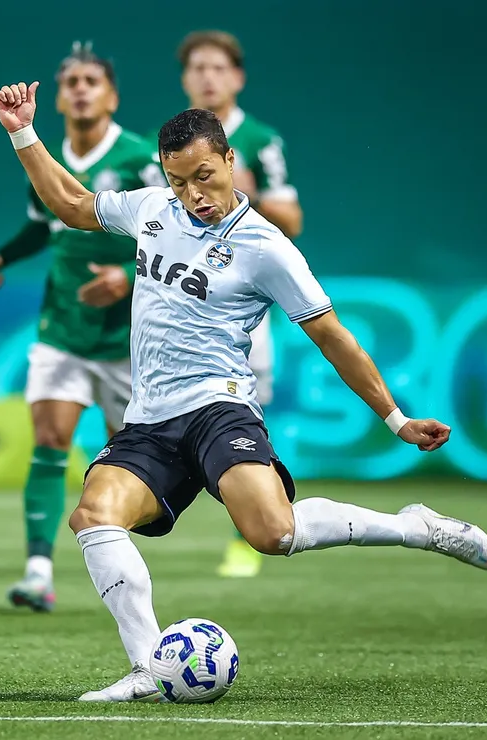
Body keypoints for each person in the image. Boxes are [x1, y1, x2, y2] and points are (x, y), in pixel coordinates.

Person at [0, 84, 487, 702]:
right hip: (149, 419)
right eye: (179, 182)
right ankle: (147, 668)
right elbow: (72, 204)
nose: (192, 195)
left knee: (272, 534)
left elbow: (333, 338)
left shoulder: (267, 249)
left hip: (218, 407)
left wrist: (395, 420)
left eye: (203, 176)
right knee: (94, 516)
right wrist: (23, 133)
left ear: (231, 161)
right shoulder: (152, 209)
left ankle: (414, 527)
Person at [0, 42, 164, 613]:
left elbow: (173, 232)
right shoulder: (47, 158)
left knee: (125, 457)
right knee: (50, 441)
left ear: (112, 96)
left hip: (125, 338)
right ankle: (37, 571)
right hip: (63, 326)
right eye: (71, 82)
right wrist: (1, 259)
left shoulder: (140, 159)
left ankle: (119, 573)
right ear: (58, 98)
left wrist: (128, 279)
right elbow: (42, 224)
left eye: (91, 80)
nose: (80, 89)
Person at [173, 30, 304, 578]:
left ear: (237, 77)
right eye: (198, 68)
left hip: (238, 302)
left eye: (218, 68)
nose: (208, 77)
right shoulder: (178, 143)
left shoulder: (259, 138)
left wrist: (250, 194)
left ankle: (246, 532)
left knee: (248, 415)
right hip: (183, 300)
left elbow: (293, 223)